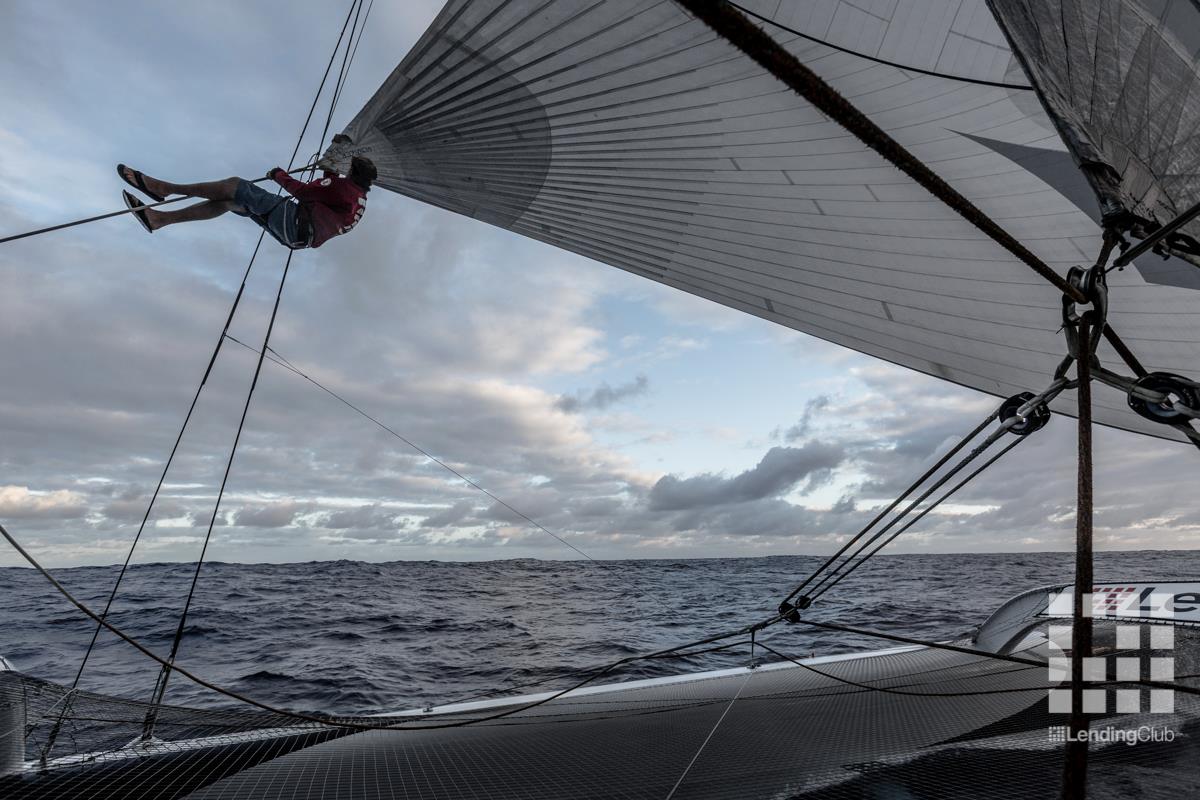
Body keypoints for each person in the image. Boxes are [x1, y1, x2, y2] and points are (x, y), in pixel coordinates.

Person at [118, 150, 376, 249]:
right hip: (295, 237)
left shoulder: (345, 189)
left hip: (294, 220)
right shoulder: (357, 197)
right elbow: (329, 195)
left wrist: (277, 175)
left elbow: (304, 193)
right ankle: (159, 219)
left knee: (235, 186)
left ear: (353, 173)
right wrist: (330, 171)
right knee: (230, 202)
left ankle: (164, 188)